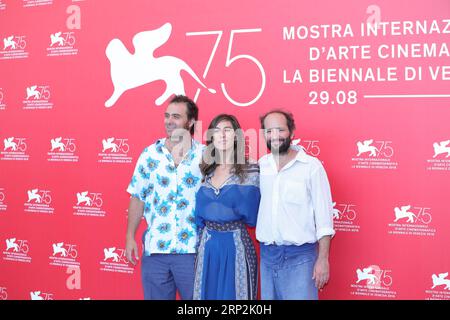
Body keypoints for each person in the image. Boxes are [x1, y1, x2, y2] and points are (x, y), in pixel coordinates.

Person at [125, 95, 204, 300]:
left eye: (176, 116)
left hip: (192, 251)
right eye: (167, 115)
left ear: (191, 121)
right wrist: (130, 237)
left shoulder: (205, 156)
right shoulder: (149, 154)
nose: (169, 121)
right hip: (156, 251)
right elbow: (137, 197)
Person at [256, 109, 335, 300]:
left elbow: (324, 219)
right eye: (269, 131)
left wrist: (323, 259)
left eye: (280, 130)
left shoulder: (311, 166)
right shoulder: (260, 166)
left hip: (300, 259)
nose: (274, 136)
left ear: (292, 132)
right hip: (267, 257)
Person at [193, 114, 260, 300]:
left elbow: (255, 212)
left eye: (227, 130)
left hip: (236, 245)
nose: (222, 135)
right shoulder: (205, 170)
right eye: (217, 131)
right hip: (207, 246)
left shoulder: (251, 169)